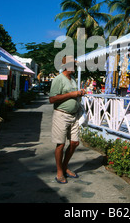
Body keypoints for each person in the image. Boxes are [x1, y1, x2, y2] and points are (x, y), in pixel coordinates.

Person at [49, 55, 86, 184]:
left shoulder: (73, 79)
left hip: (74, 115)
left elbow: (73, 94)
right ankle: (60, 171)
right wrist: (72, 94)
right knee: (61, 144)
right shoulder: (58, 79)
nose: (75, 67)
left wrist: (79, 93)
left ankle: (65, 166)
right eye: (73, 65)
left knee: (75, 142)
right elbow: (52, 99)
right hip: (61, 115)